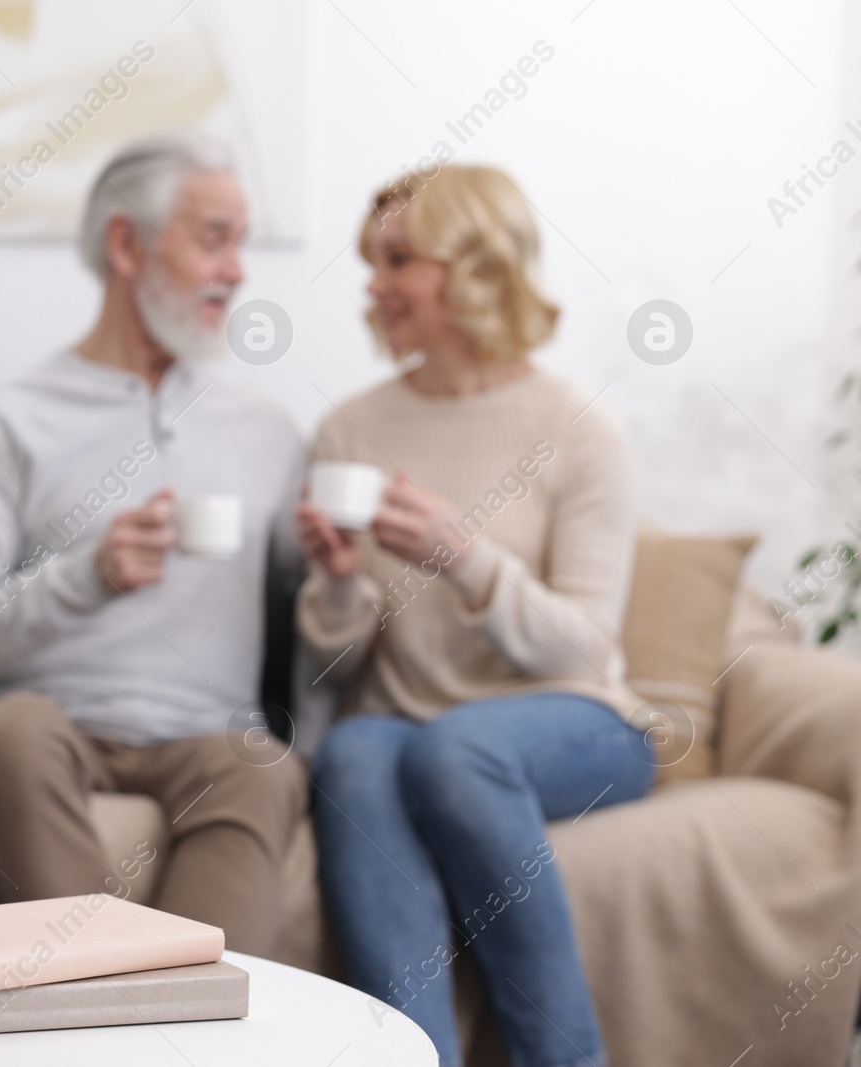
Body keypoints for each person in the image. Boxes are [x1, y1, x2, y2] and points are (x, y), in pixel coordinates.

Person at [0, 134, 307, 958]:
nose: (237, 271)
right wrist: (84, 576)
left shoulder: (269, 433)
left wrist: (338, 570)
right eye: (213, 238)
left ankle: (191, 1024)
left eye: (241, 241)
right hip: (44, 726)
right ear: (128, 244)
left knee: (263, 766)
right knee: (12, 733)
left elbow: (316, 611)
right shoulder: (7, 421)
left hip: (204, 736)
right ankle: (102, 1008)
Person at [298, 165, 652, 1067]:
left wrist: (466, 558)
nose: (374, 285)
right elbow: (333, 667)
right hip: (408, 723)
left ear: (476, 267)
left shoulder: (578, 428)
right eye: (373, 262)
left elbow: (585, 641)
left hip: (575, 716)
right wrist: (339, 581)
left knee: (456, 746)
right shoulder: (349, 428)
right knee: (352, 749)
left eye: (398, 260)